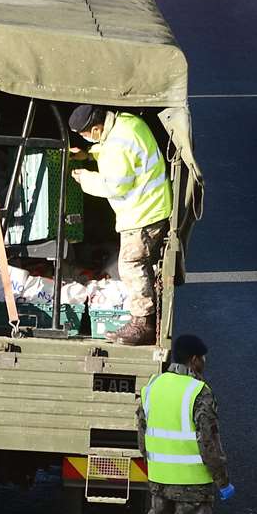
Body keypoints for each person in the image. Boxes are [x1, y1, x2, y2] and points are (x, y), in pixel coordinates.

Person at [138, 334, 232, 514]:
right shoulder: (199, 392)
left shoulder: (152, 387)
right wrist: (222, 480)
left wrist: (154, 464)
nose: (204, 363)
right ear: (194, 359)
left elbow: (142, 434)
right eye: (202, 358)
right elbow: (208, 443)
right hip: (192, 482)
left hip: (160, 479)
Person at [68, 104, 171, 346]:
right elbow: (122, 153)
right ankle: (142, 318)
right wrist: (90, 153)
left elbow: (113, 185)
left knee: (131, 265)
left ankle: (142, 323)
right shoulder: (127, 123)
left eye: (84, 135)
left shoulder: (117, 144)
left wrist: (85, 178)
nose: (83, 139)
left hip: (142, 213)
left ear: (95, 129)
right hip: (153, 205)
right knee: (137, 264)